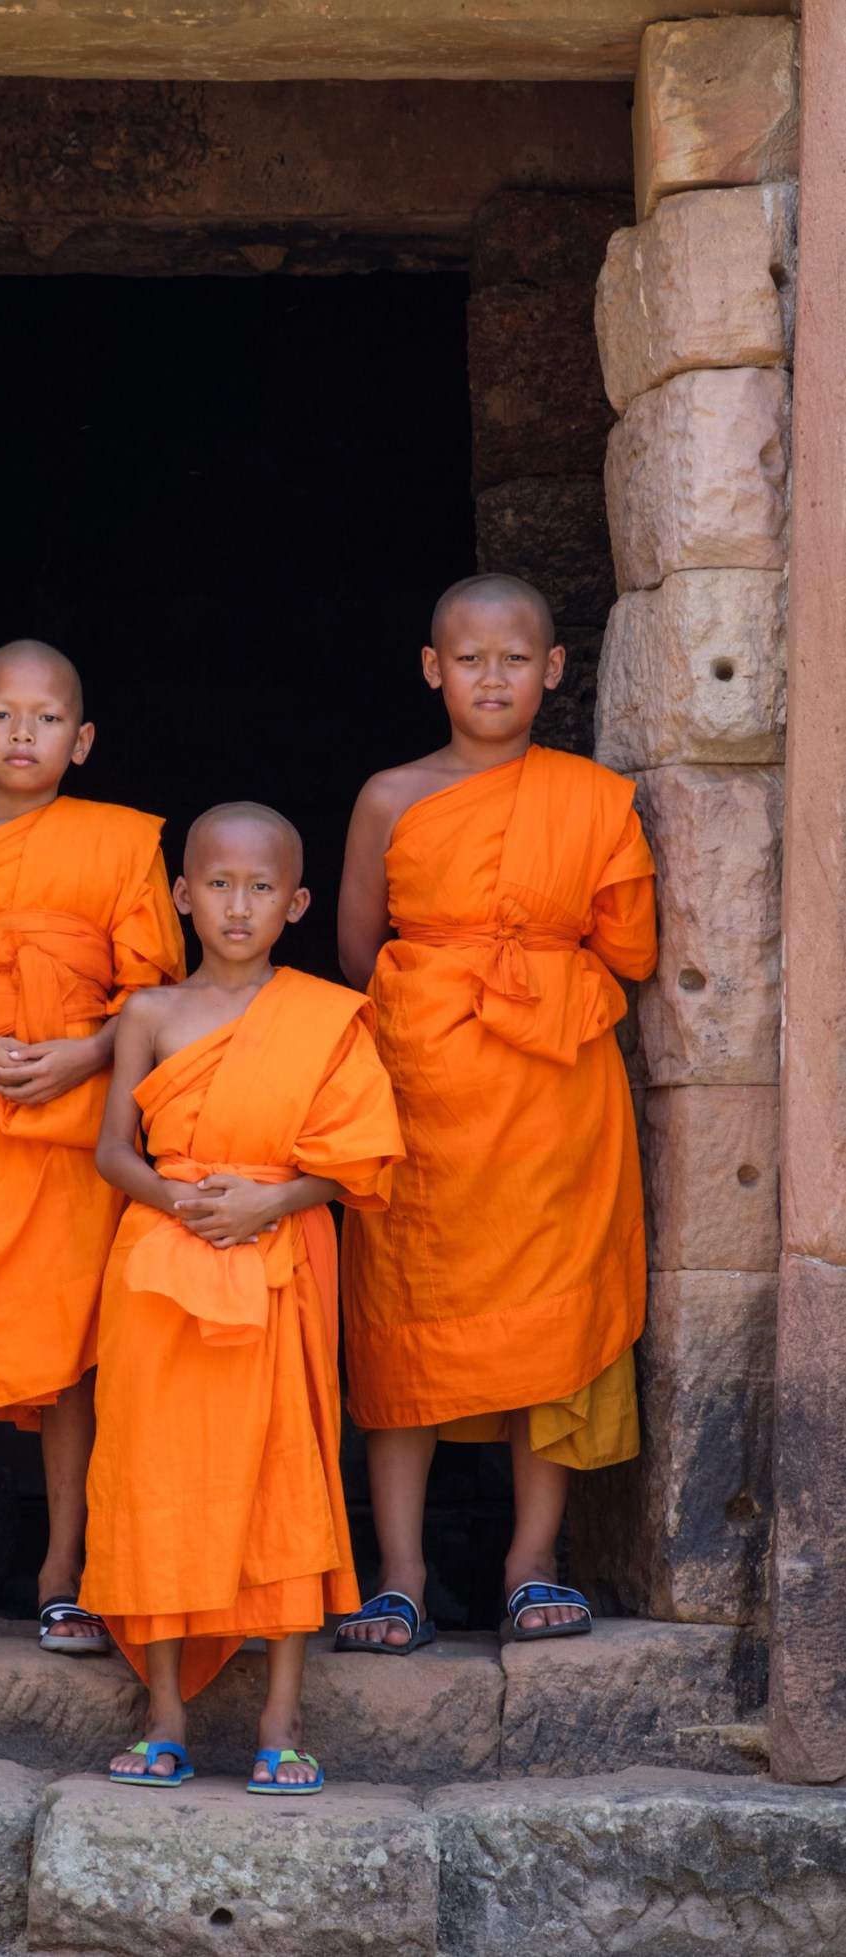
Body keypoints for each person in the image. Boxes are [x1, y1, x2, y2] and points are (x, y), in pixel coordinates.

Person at [335, 574, 657, 1652]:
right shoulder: (389, 794)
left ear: (553, 671)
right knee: (404, 1326)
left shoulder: (593, 798)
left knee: (551, 1322)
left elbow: (629, 948)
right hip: (422, 1096)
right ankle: (402, 1574)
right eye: (469, 659)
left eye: (515, 658)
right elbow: (356, 952)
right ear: (433, 670)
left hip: (557, 1104)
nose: (492, 677)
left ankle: (532, 1561)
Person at [80, 802, 404, 1791]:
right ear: (182, 893)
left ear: (296, 903)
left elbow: (356, 1161)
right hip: (163, 1263)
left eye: (262, 888)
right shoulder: (148, 1013)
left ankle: (280, 1718)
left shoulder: (325, 1017)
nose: (237, 904)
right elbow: (109, 1152)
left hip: (279, 1258)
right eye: (217, 883)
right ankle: (165, 1712)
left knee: (285, 1475)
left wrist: (268, 1200)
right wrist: (184, 1201)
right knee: (156, 1475)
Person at [0, 639, 185, 1661]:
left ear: (82, 740)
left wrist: (87, 1055)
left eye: (47, 718)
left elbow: (156, 993)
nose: (23, 733)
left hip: (77, 1119)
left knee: (71, 1351)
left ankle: (66, 1570)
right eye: (3, 717)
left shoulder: (119, 842)